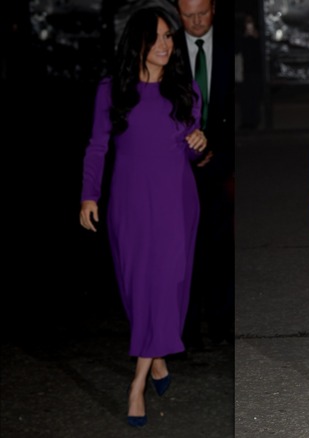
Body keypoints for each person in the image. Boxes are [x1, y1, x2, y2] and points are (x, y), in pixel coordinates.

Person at [79, 7, 207, 427]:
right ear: (137, 42)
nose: (167, 45)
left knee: (167, 285)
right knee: (138, 288)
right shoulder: (110, 91)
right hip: (129, 204)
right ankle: (155, 360)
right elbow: (97, 147)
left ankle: (137, 384)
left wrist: (199, 142)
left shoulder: (186, 91)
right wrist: (88, 196)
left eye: (170, 37)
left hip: (176, 203)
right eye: (157, 37)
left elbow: (192, 150)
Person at [175, 0, 235, 350]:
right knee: (181, 249)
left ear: (214, 7)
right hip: (176, 164)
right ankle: (185, 329)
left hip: (222, 163)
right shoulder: (166, 48)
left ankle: (221, 324)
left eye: (202, 12)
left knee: (220, 246)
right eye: (187, 15)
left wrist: (217, 149)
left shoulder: (228, 47)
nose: (196, 21)